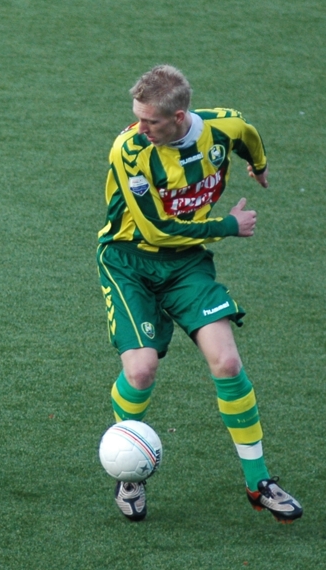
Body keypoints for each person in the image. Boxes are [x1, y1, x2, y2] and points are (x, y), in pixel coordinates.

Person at [96, 65, 302, 523]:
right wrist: (228, 226)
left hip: (186, 264)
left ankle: (258, 482)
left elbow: (246, 133)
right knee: (143, 369)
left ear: (179, 116)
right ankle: (128, 468)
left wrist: (259, 164)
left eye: (149, 121)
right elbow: (157, 228)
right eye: (136, 117)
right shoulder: (131, 151)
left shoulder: (221, 126)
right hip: (130, 261)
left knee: (228, 362)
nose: (138, 127)